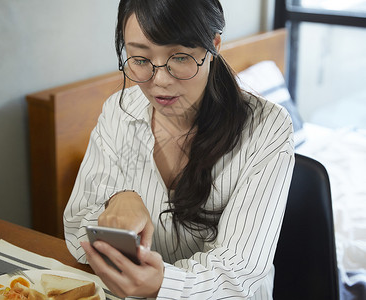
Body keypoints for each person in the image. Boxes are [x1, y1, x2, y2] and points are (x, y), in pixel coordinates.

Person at [64, 0, 295, 299]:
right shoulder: (119, 113)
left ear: (213, 45)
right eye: (140, 59)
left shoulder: (267, 128)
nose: (159, 81)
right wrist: (116, 201)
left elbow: (237, 274)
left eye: (181, 57)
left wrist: (162, 284)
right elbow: (75, 227)